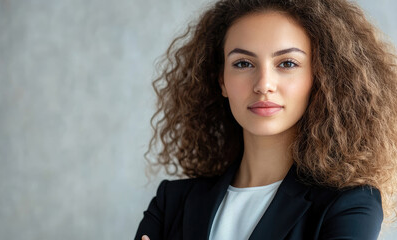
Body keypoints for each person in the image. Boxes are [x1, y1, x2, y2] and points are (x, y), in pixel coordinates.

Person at [135, 0, 397, 239]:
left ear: (319, 78)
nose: (263, 85)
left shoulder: (350, 204)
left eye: (287, 63)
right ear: (221, 81)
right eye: (243, 64)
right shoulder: (171, 203)